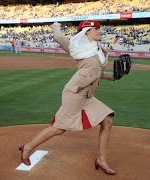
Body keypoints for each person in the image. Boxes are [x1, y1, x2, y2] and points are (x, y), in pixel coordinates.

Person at [19, 21, 116, 175]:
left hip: (88, 95)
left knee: (107, 120)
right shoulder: (78, 49)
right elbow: (58, 37)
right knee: (59, 128)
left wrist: (115, 76)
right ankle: (28, 147)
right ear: (87, 32)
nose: (100, 31)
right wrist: (56, 25)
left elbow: (98, 74)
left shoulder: (98, 51)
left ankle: (101, 160)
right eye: (96, 29)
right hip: (74, 94)